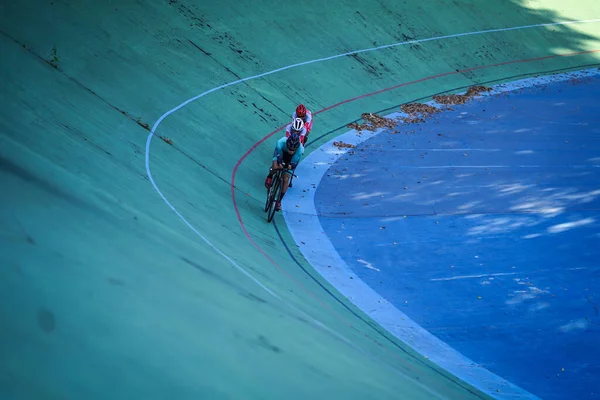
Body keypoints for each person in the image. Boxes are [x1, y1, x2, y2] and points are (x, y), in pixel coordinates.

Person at [264, 132, 304, 211]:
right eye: (289, 149)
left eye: (293, 150)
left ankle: (279, 201)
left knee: (286, 178)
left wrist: (290, 166)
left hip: (291, 159)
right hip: (281, 153)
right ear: (287, 144)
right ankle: (270, 176)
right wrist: (279, 162)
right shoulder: (280, 142)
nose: (291, 151)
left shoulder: (300, 150)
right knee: (276, 166)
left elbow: (294, 163)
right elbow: (278, 156)